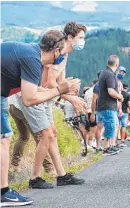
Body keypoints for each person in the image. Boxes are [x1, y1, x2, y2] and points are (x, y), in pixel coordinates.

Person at [1, 30, 81, 206]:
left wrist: (66, 94)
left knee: (5, 137)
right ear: (57, 51)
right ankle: (4, 192)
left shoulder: (32, 55)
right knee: (4, 139)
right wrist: (60, 90)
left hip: (2, 96)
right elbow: (29, 99)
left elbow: (35, 90)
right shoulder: (32, 60)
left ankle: (4, 191)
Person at [17, 22, 87, 189]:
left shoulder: (65, 54)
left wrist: (72, 94)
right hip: (36, 94)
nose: (83, 41)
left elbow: (60, 82)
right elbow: (50, 82)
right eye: (81, 38)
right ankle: (34, 178)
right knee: (47, 135)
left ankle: (61, 175)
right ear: (70, 38)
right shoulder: (58, 53)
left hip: (46, 96)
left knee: (52, 134)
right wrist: (72, 99)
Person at [97, 55, 123, 155]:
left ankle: (109, 146)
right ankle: (106, 148)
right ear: (116, 63)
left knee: (109, 126)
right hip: (107, 105)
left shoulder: (104, 72)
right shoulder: (110, 74)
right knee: (110, 126)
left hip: (103, 104)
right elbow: (111, 91)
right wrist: (120, 96)